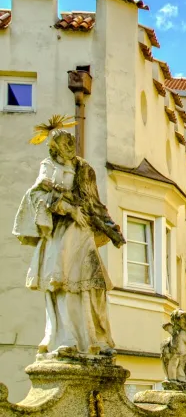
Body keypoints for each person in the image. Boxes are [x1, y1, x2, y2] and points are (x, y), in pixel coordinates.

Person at [13, 117, 125, 358]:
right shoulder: (48, 166)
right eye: (65, 143)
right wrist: (66, 207)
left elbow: (94, 203)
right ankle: (67, 339)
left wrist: (110, 228)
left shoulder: (83, 169)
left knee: (94, 285)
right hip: (60, 235)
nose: (70, 146)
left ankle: (97, 340)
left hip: (82, 233)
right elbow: (37, 196)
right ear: (54, 147)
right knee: (64, 286)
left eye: (71, 142)